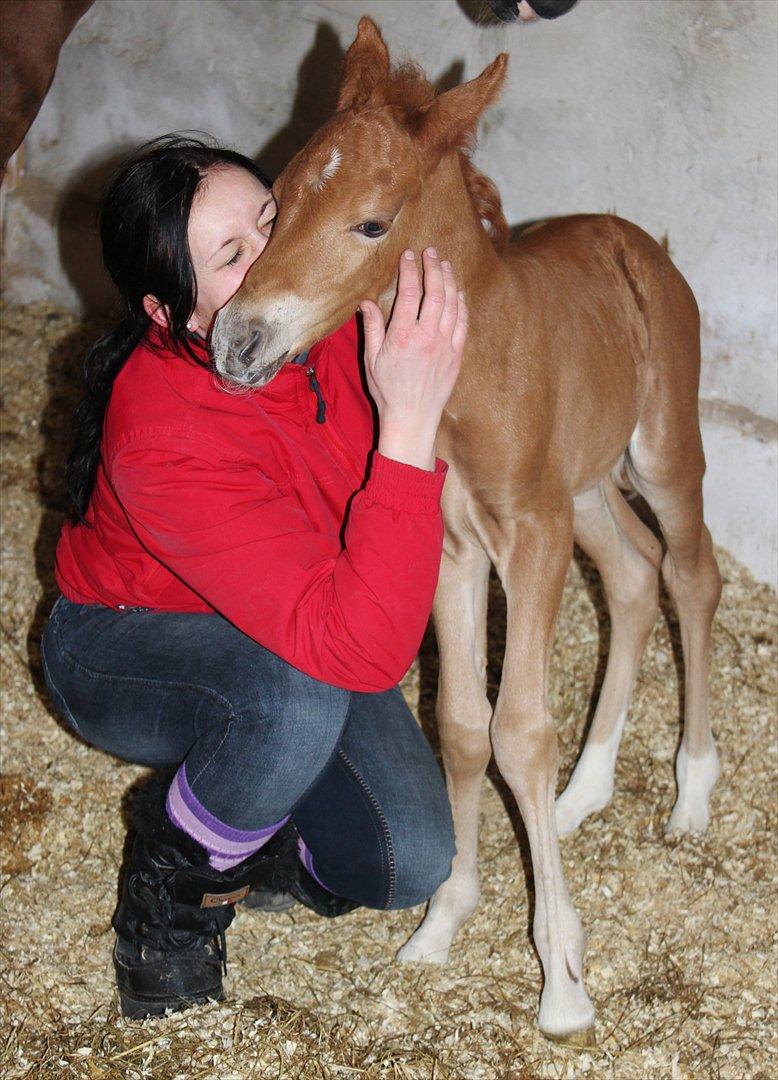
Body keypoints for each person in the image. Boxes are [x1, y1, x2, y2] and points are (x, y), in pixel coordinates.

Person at [40, 134, 467, 1019]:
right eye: (233, 256)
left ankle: (243, 825)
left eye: (273, 221)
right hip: (125, 645)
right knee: (292, 699)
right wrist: (410, 432)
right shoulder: (162, 433)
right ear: (169, 315)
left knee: (406, 861)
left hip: (291, 621)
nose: (278, 258)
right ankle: (170, 906)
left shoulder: (333, 324)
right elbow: (363, 651)